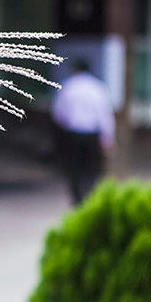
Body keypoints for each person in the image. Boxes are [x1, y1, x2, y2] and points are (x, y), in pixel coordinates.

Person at [51, 59, 115, 205]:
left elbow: (58, 113)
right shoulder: (97, 87)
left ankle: (77, 197)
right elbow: (105, 115)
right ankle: (91, 195)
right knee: (92, 167)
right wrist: (107, 138)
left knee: (74, 167)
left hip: (73, 133)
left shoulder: (68, 86)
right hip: (92, 134)